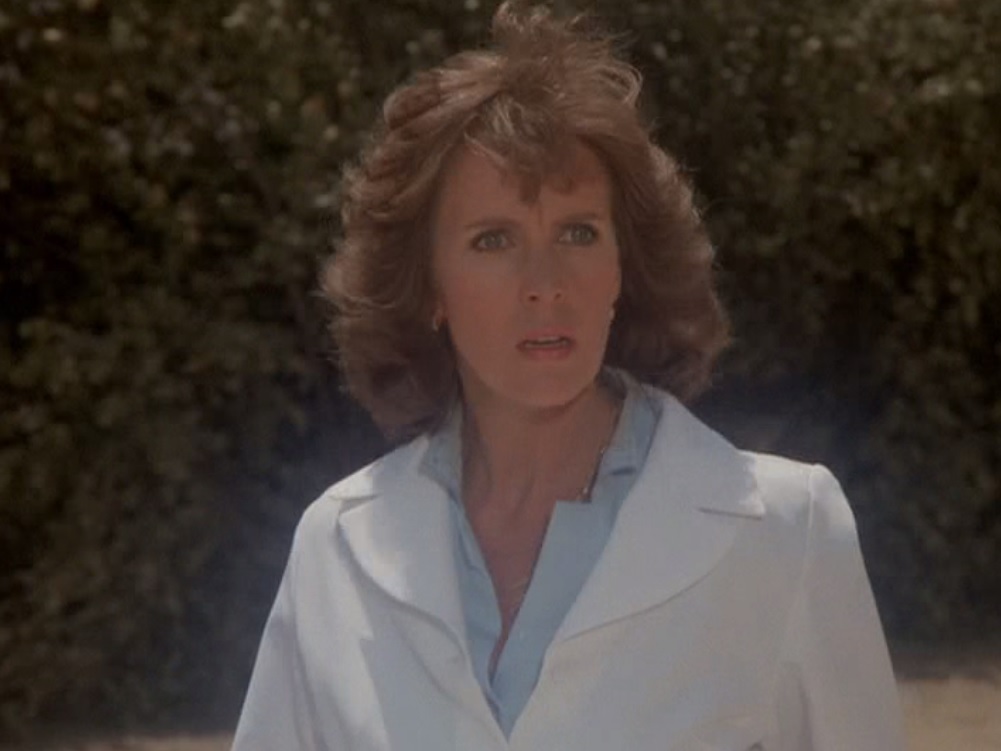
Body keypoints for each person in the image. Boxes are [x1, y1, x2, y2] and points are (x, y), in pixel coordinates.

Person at [231, 3, 905, 749]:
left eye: (578, 232)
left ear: (622, 266)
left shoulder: (787, 532)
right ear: (427, 290)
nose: (545, 284)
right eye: (493, 240)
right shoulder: (335, 547)